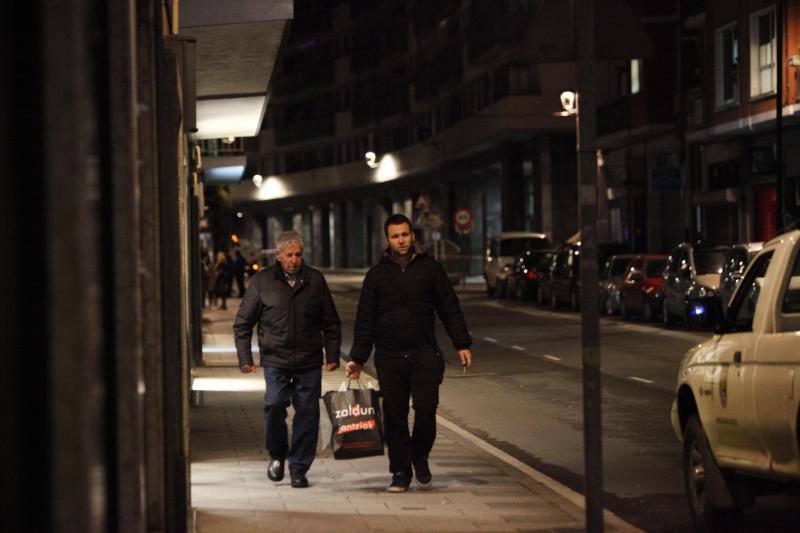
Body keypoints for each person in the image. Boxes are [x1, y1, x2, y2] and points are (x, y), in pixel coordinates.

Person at [347, 214, 473, 493]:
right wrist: (357, 357)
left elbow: (449, 307)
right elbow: (365, 320)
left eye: (405, 235)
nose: (401, 240)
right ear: (387, 239)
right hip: (389, 356)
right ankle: (400, 471)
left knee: (426, 409)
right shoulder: (376, 275)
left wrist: (461, 343)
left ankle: (419, 455)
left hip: (423, 352)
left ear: (412, 236)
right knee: (395, 416)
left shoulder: (430, 269)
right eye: (395, 236)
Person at [233, 230, 342, 488]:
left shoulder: (315, 280)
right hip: (275, 359)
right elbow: (243, 323)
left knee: (307, 413)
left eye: (298, 255)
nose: (295, 260)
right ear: (279, 256)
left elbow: (331, 322)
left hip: (309, 359)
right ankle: (277, 455)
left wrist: (333, 354)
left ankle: (299, 467)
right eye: (289, 255)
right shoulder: (262, 282)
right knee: (274, 405)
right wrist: (245, 358)